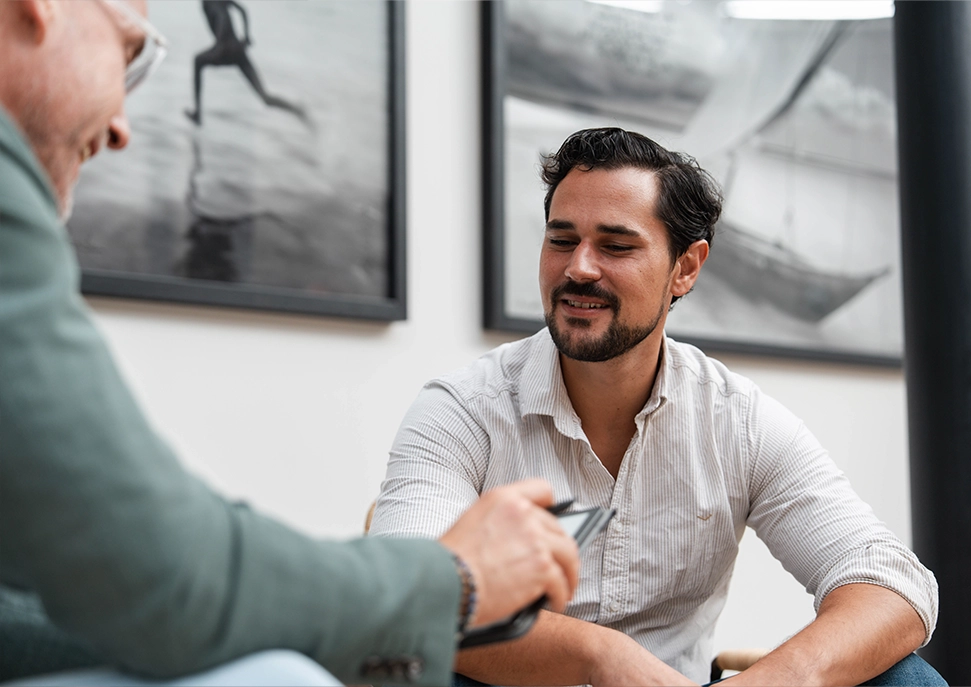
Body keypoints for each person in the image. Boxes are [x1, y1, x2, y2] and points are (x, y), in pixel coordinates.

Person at [0, 1, 580, 684]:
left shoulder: (728, 408)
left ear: (686, 267)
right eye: (130, 52)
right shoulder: (461, 401)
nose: (124, 126)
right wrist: (454, 575)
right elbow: (159, 567)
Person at [370, 128, 945, 686]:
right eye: (561, 239)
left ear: (686, 268)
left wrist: (778, 680)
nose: (579, 268)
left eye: (616, 246)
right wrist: (601, 657)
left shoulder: (737, 421)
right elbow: (405, 597)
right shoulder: (463, 410)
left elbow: (892, 583)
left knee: (906, 679)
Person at [184, 0, 308, 127]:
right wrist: (246, 36)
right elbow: (242, 10)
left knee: (197, 61)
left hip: (225, 50)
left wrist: (219, 44)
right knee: (265, 97)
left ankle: (198, 114)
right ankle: (297, 110)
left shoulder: (207, 2)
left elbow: (221, 18)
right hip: (238, 49)